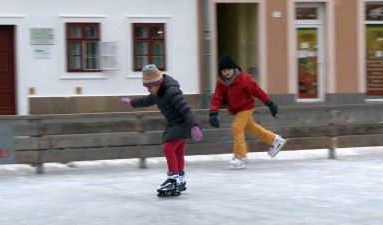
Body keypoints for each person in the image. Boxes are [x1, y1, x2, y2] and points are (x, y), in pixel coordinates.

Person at [120, 64, 203, 196]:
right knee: (178, 152)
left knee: (168, 148)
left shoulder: (171, 92)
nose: (149, 90)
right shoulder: (157, 92)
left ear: (157, 83)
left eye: (149, 87)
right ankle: (180, 179)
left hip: (182, 123)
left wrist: (194, 126)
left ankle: (173, 179)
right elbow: (145, 101)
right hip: (176, 124)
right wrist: (131, 102)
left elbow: (186, 109)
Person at [209, 53, 288, 169]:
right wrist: (213, 114)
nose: (227, 72)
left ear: (233, 68)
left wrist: (269, 103)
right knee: (252, 128)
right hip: (236, 110)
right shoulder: (221, 83)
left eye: (229, 69)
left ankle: (240, 157)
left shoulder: (244, 79)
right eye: (224, 70)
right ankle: (274, 140)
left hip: (246, 107)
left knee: (236, 128)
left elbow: (257, 91)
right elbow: (217, 98)